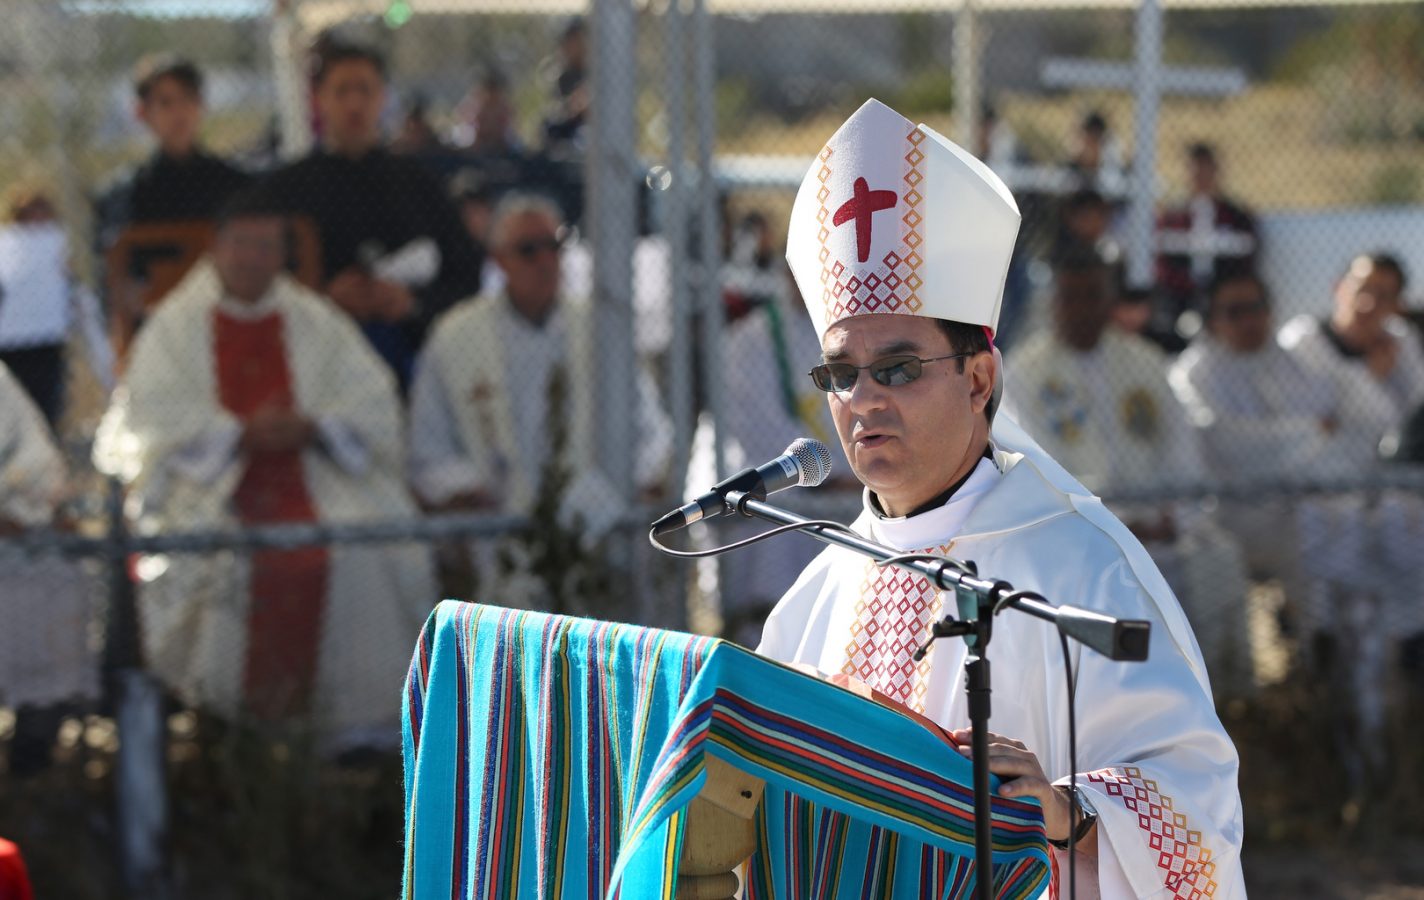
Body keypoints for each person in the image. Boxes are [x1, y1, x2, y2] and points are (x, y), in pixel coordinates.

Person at [758, 98, 1244, 898]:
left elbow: (1198, 810)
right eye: (842, 373)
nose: (864, 399)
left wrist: (1069, 811)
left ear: (980, 377)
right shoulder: (813, 600)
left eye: (900, 367)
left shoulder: (1084, 568)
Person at [93, 189, 436, 745]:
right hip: (213, 486)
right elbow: (150, 418)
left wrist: (315, 425)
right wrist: (236, 433)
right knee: (224, 554)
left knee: (363, 550)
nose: (253, 257)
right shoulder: (176, 326)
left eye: (266, 246)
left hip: (315, 471)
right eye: (242, 244)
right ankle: (226, 728)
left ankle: (349, 736)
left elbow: (372, 400)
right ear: (218, 248)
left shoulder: (314, 318)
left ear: (282, 255)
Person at [1005, 248, 1252, 689]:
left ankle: (1214, 695)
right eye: (1070, 297)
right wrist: (1124, 522)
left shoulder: (1145, 362)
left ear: (1110, 299)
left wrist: (1174, 518)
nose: (1081, 308)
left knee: (1219, 557)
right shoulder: (1023, 374)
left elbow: (1184, 457)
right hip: (1080, 532)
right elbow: (1036, 472)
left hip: (1163, 527)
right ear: (1053, 303)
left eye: (1092, 295)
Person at [408, 193, 672, 604]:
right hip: (497, 530)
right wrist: (466, 490)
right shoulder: (456, 336)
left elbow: (650, 430)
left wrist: (624, 487)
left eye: (554, 246)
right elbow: (428, 443)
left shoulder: (599, 329)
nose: (545, 260)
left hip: (595, 526)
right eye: (528, 250)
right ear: (498, 260)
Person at [262, 39, 483, 391]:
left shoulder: (420, 185)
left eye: (364, 90)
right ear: (319, 100)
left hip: (414, 358)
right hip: (312, 364)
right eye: (342, 91)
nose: (354, 103)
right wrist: (323, 298)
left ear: (382, 98)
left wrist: (410, 303)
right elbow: (259, 282)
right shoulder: (285, 189)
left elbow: (467, 276)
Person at [1277, 253, 1424, 779]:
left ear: (1397, 305)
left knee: (1381, 624)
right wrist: (1368, 379)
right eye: (1361, 288)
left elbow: (1408, 427)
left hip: (1384, 510)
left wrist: (1361, 398)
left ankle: (1384, 755)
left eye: (1384, 295)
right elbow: (1317, 427)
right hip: (1315, 510)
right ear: (1338, 287)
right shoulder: (1302, 342)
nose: (1368, 303)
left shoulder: (1402, 347)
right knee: (1331, 634)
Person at [1168, 272, 1336, 622]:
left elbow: (1333, 425)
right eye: (1234, 311)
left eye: (1256, 308)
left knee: (1333, 526)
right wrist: (1306, 432)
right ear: (1212, 318)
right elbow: (1221, 441)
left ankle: (1315, 655)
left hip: (1291, 504)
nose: (1248, 321)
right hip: (1224, 509)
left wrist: (1297, 439)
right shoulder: (1193, 371)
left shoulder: (1293, 361)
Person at [0, 360, 96, 776]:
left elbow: (36, 460)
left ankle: (33, 746)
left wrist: (24, 508)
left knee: (56, 574)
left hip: (11, 539)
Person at [94, 54, 251, 252]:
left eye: (188, 98)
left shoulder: (234, 186)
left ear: (201, 105)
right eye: (166, 102)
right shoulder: (125, 197)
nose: (180, 112)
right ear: (142, 112)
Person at [1155, 143, 1258, 327]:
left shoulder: (1236, 217)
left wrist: (1221, 290)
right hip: (1178, 297)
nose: (1201, 177)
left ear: (1216, 172)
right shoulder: (1172, 217)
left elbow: (1247, 258)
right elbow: (1161, 262)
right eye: (1195, 171)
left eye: (1206, 170)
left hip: (1225, 297)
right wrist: (1186, 285)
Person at [541, 18, 589, 157]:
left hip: (589, 128)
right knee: (549, 127)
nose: (569, 47)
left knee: (585, 135)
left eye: (575, 41)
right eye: (567, 42)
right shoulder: (564, 76)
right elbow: (562, 108)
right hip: (569, 126)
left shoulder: (596, 73)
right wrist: (573, 105)